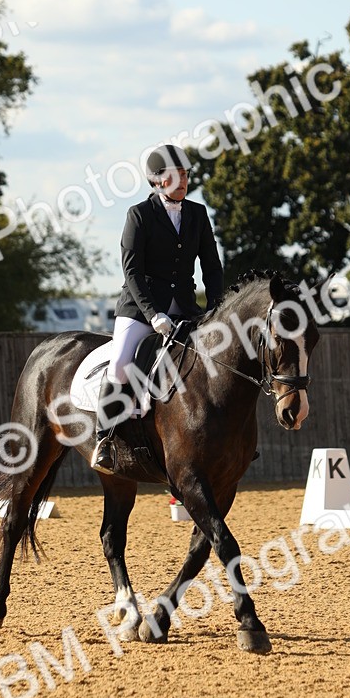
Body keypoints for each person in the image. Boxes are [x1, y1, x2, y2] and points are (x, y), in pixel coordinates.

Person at [91, 143, 224, 471]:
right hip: (140, 309)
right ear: (156, 180)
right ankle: (104, 439)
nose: (183, 181)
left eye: (186, 175)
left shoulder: (197, 214)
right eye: (175, 176)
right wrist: (153, 315)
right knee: (121, 363)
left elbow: (211, 265)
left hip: (188, 308)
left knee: (218, 359)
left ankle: (225, 438)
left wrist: (216, 309)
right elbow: (132, 272)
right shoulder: (139, 215)